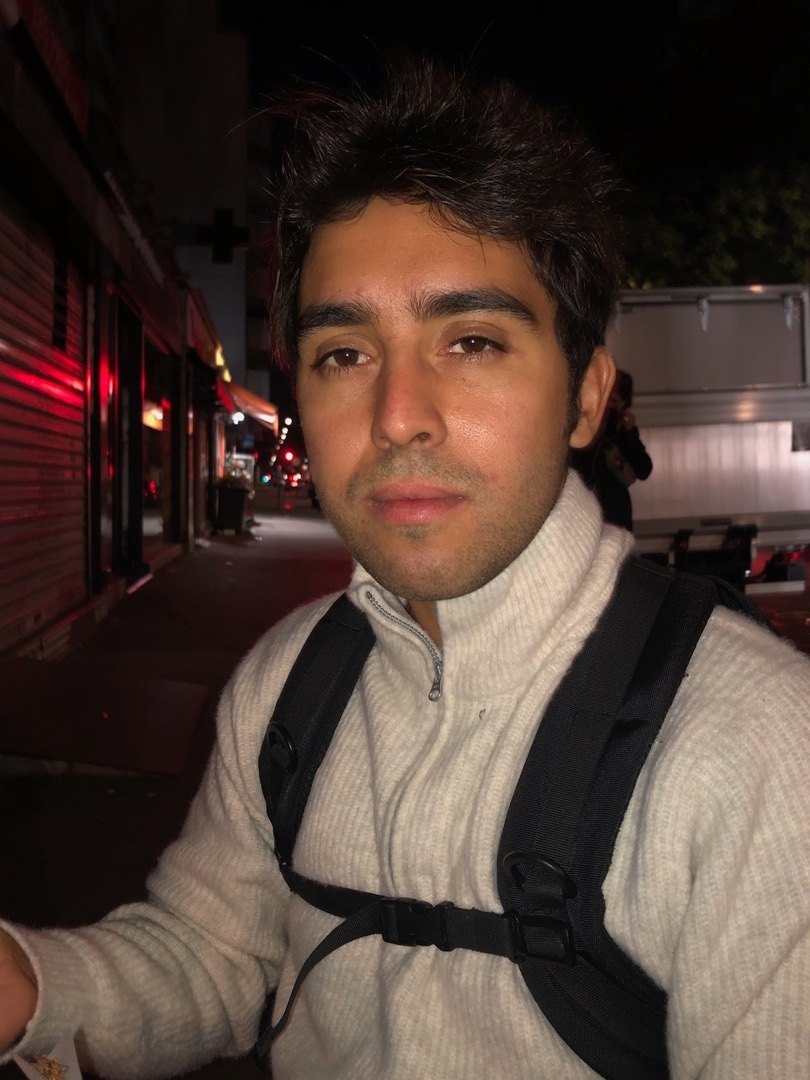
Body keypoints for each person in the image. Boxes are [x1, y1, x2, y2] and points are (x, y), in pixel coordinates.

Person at [2, 54, 810, 1080]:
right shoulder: (289, 683)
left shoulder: (756, 744)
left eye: (470, 341)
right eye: (344, 354)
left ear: (586, 397)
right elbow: (216, 956)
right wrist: (27, 987)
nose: (396, 417)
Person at [572, 368, 652, 531]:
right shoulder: (583, 424)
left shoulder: (620, 430)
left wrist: (629, 432)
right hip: (582, 509)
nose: (607, 405)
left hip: (614, 513)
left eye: (613, 400)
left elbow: (644, 469)